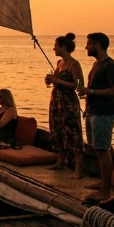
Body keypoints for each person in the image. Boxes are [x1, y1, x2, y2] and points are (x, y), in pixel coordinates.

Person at [77, 32, 114, 200]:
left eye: (88, 44)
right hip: (92, 111)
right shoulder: (96, 65)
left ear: (97, 45)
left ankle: (106, 190)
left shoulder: (110, 66)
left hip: (104, 113)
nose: (86, 47)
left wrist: (91, 91)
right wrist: (87, 106)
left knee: (103, 149)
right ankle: (104, 181)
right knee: (98, 147)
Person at [45, 33, 85, 179]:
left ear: (62, 47)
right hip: (56, 102)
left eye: (55, 46)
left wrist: (58, 81)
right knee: (58, 131)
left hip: (68, 103)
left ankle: (78, 169)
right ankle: (60, 161)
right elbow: (56, 80)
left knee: (73, 133)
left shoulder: (74, 64)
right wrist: (50, 81)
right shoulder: (59, 63)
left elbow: (79, 84)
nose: (53, 48)